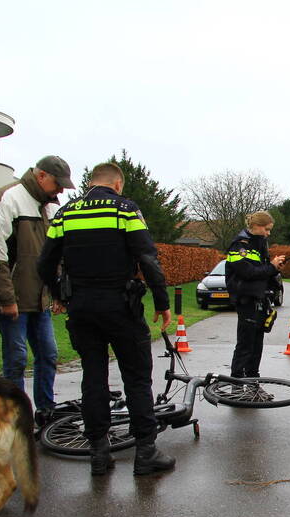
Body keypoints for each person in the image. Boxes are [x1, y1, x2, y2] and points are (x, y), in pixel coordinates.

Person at [37, 162, 174, 477]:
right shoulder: (124, 209)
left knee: (93, 378)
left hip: (82, 308)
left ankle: (99, 454)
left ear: (91, 183)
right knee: (137, 378)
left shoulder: (64, 213)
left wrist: (61, 295)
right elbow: (147, 258)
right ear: (117, 184)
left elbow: (45, 263)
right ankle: (146, 454)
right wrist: (162, 302)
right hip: (120, 306)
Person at [0, 155, 74, 424]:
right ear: (41, 176)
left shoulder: (52, 206)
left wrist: (57, 293)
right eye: (58, 183)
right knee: (16, 359)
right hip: (14, 300)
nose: (61, 190)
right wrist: (6, 298)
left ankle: (45, 410)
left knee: (48, 354)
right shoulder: (7, 199)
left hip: (39, 298)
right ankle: (15, 418)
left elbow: (58, 255)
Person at [226, 211, 286, 385]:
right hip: (246, 299)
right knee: (245, 344)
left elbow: (262, 270)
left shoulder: (259, 243)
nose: (268, 233)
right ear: (257, 226)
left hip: (259, 299)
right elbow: (248, 272)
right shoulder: (240, 245)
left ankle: (253, 379)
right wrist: (272, 267)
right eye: (267, 229)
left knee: (256, 344)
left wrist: (274, 267)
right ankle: (236, 382)